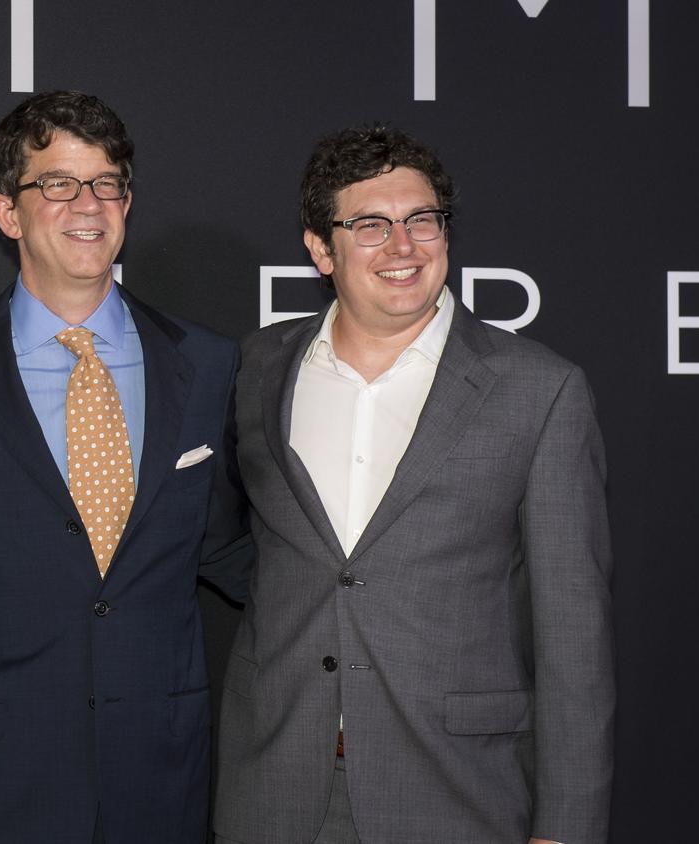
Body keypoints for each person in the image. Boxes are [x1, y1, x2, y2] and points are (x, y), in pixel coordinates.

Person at [213, 125, 614, 843]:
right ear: (320, 249)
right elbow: (235, 545)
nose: (403, 247)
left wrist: (567, 828)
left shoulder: (538, 390)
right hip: (273, 789)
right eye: (370, 225)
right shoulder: (258, 369)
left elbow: (573, 635)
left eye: (421, 220)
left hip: (457, 794)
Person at [0, 90, 250, 843]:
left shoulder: (209, 366)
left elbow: (231, 548)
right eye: (58, 183)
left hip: (157, 783)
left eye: (107, 183)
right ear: (7, 212)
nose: (89, 204)